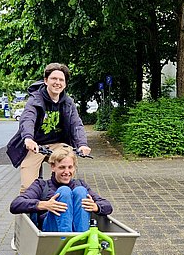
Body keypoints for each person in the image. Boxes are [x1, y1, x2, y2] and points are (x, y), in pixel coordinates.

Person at [6, 63, 91, 193]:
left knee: (66, 176)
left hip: (58, 145)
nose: (57, 82)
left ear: (65, 84)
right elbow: (28, 118)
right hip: (35, 146)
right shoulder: (35, 99)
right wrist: (28, 138)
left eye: (61, 80)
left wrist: (82, 144)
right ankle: (29, 204)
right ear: (46, 80)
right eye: (54, 78)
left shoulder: (68, 103)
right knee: (28, 187)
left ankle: (63, 197)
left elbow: (76, 124)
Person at [10, 147, 112, 232]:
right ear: (53, 167)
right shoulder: (41, 185)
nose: (67, 172)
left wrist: (96, 207)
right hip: (51, 231)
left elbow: (108, 206)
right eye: (62, 167)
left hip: (78, 230)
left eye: (70, 167)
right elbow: (15, 205)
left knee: (80, 191)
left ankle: (81, 238)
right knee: (64, 191)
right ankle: (66, 240)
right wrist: (43, 204)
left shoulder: (80, 184)